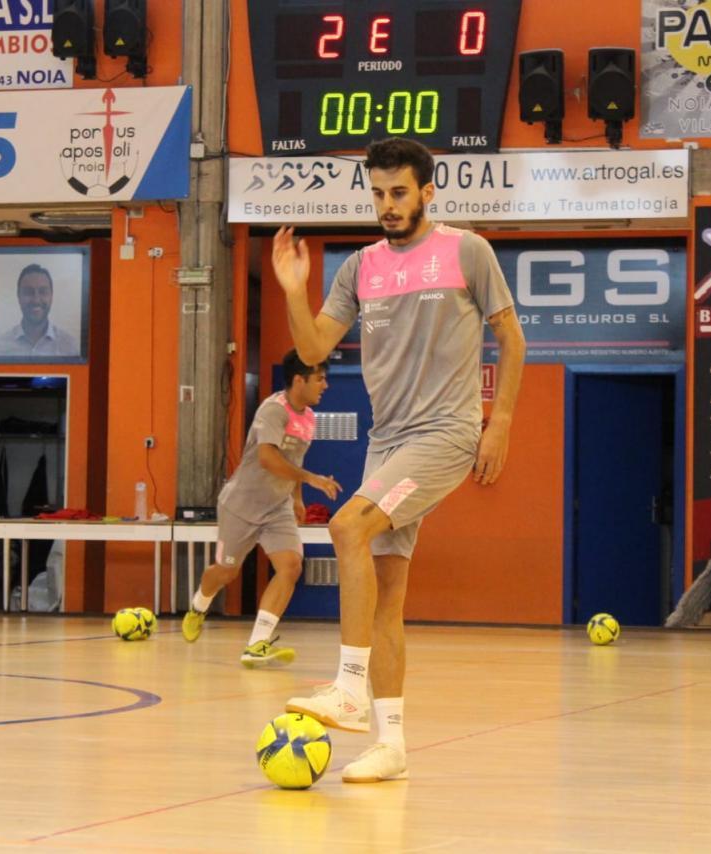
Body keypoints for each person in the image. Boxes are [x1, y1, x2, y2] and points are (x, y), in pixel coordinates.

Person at [271, 137, 525, 782]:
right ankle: (391, 744)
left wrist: (499, 425)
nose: (387, 204)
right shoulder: (359, 267)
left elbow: (511, 337)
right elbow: (313, 346)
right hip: (387, 440)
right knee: (386, 594)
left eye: (399, 192)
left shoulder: (468, 250)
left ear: (427, 190)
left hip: (445, 432)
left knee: (346, 525)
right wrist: (294, 290)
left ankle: (349, 686)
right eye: (378, 193)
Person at [181, 350, 340, 666]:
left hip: (277, 507)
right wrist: (311, 480)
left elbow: (292, 461)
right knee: (226, 572)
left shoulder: (308, 417)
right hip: (241, 505)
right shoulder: (273, 411)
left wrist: (297, 497)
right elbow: (268, 458)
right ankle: (199, 605)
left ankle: (257, 643)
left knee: (291, 566)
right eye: (320, 379)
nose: (325, 386)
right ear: (299, 380)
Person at [0, 264, 81, 358]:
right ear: (18, 296)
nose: (36, 300)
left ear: (51, 296)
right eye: (28, 292)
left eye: (43, 292)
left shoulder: (71, 348)